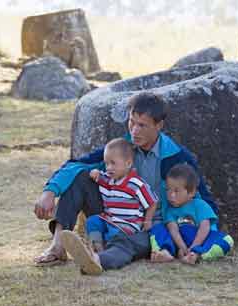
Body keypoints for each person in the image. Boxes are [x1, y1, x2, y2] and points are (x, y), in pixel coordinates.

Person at [33, 92, 218, 275]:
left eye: (142, 125)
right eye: (132, 122)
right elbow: (77, 165)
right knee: (81, 177)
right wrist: (50, 191)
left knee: (125, 242)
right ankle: (57, 246)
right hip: (111, 213)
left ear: (159, 125)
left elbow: (202, 200)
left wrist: (203, 242)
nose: (134, 131)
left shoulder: (177, 157)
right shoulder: (122, 148)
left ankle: (97, 260)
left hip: (150, 226)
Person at [149, 164, 234, 264]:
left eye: (176, 191)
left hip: (200, 240)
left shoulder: (200, 205)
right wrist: (182, 247)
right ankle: (164, 252)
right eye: (168, 190)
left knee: (226, 239)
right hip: (177, 242)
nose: (171, 195)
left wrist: (194, 247)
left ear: (191, 192)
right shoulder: (170, 210)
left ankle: (199, 255)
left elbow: (204, 228)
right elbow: (173, 230)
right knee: (157, 228)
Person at [85, 138, 158, 253]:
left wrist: (147, 222)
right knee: (92, 221)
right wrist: (95, 172)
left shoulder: (136, 184)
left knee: (115, 235)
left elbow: (152, 202)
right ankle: (96, 245)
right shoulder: (107, 179)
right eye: (106, 163)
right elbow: (97, 176)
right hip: (109, 220)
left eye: (113, 163)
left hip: (127, 226)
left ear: (128, 163)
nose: (108, 168)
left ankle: (106, 251)